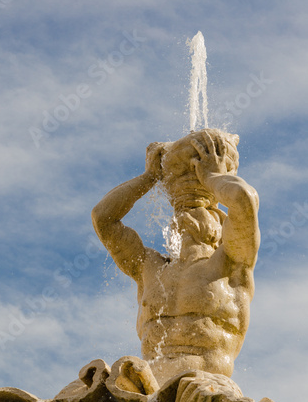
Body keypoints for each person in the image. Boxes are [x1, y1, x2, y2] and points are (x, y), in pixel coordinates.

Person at [92, 129, 260, 385]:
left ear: (221, 225)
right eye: (181, 214)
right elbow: (103, 218)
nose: (186, 217)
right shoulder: (150, 269)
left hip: (204, 390)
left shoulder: (232, 263)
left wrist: (214, 177)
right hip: (145, 390)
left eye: (202, 211)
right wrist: (149, 178)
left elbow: (243, 199)